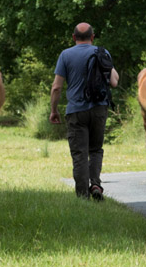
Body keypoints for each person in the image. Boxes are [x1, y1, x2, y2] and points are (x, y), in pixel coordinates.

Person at [49, 23, 119, 201]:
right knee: (95, 150)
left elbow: (56, 87)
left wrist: (54, 110)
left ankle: (82, 197)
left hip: (76, 111)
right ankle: (95, 184)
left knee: (80, 153)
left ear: (73, 37)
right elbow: (114, 82)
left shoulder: (66, 55)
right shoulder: (102, 53)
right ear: (92, 37)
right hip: (99, 109)